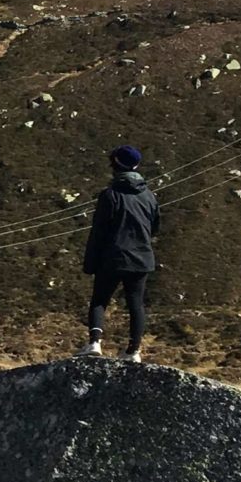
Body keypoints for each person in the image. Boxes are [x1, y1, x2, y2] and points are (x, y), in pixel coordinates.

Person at [81, 145, 159, 360]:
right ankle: (133, 351)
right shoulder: (149, 197)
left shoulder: (110, 195)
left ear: (116, 164)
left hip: (112, 257)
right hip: (142, 258)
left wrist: (90, 261)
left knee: (100, 299)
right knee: (136, 304)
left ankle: (95, 343)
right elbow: (155, 227)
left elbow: (99, 231)